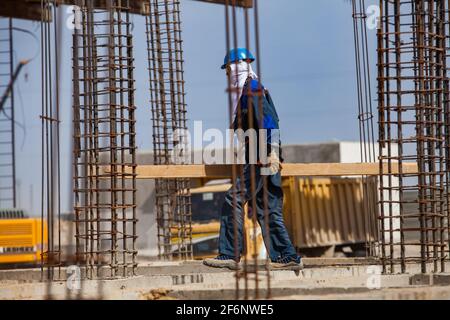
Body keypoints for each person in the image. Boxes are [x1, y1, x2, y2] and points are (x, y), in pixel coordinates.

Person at [203, 48, 302, 271]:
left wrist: (271, 151)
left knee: (233, 198)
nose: (228, 75)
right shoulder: (251, 91)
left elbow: (270, 122)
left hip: (262, 156)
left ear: (236, 66)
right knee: (266, 208)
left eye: (228, 70)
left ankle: (229, 254)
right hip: (265, 155)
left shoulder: (252, 90)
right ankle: (287, 257)